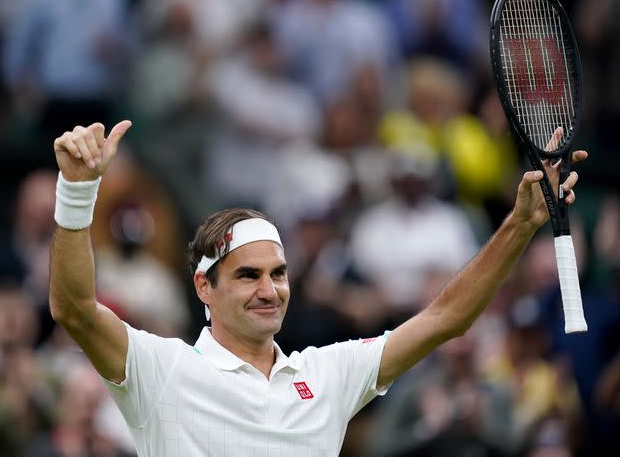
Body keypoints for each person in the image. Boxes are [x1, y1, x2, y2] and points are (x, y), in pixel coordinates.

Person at [48, 120, 587, 456]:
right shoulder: (161, 370)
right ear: (203, 288)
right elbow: (73, 308)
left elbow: (446, 317)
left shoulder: (325, 376)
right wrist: (78, 192)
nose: (269, 290)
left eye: (277, 274)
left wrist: (519, 225)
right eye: (247, 275)